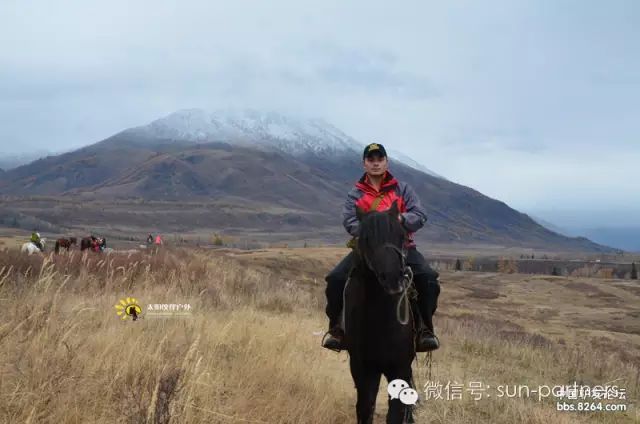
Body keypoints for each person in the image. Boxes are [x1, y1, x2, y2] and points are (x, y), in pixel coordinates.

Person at [322, 142, 441, 352]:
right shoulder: (355, 194)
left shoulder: (403, 189)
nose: (375, 163)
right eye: (371, 160)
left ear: (386, 162)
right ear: (364, 164)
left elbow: (420, 215)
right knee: (335, 279)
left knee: (428, 278)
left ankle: (424, 330)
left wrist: (400, 220)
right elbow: (350, 222)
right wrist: (374, 230)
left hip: (402, 248)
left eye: (380, 159)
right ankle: (337, 330)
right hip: (367, 250)